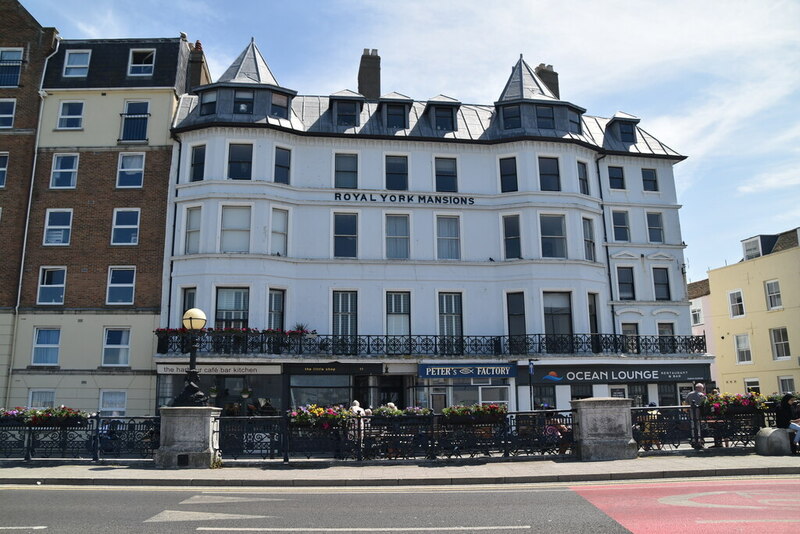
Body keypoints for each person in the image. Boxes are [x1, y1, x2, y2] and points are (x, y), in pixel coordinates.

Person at [683, 382, 706, 449]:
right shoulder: (702, 395)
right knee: (700, 428)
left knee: (693, 427)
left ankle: (694, 440)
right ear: (700, 388)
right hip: (701, 414)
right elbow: (706, 404)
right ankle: (699, 441)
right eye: (702, 388)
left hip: (692, 414)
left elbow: (685, 404)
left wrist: (687, 411)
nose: (702, 389)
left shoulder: (689, 394)